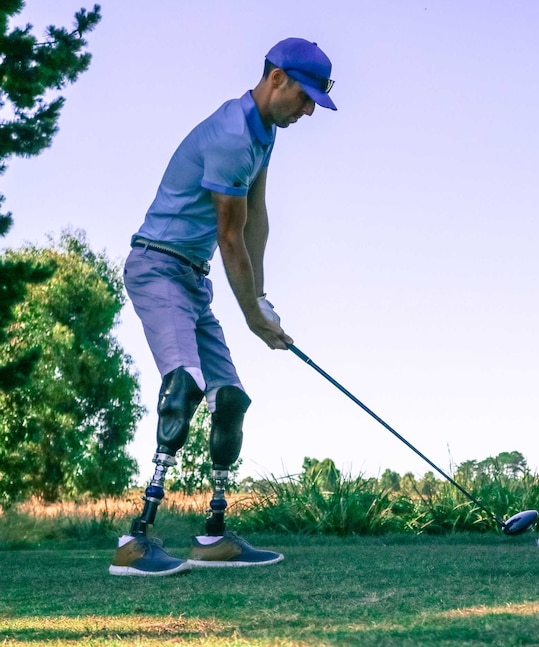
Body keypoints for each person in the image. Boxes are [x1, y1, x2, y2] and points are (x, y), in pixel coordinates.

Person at [110, 38, 337, 576]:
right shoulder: (234, 135)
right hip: (157, 266)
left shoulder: (264, 134)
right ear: (276, 77)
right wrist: (253, 318)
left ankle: (212, 537)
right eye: (305, 97)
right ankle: (134, 540)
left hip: (193, 278)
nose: (308, 111)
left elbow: (256, 216)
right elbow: (229, 237)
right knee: (184, 384)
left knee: (230, 398)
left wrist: (260, 298)